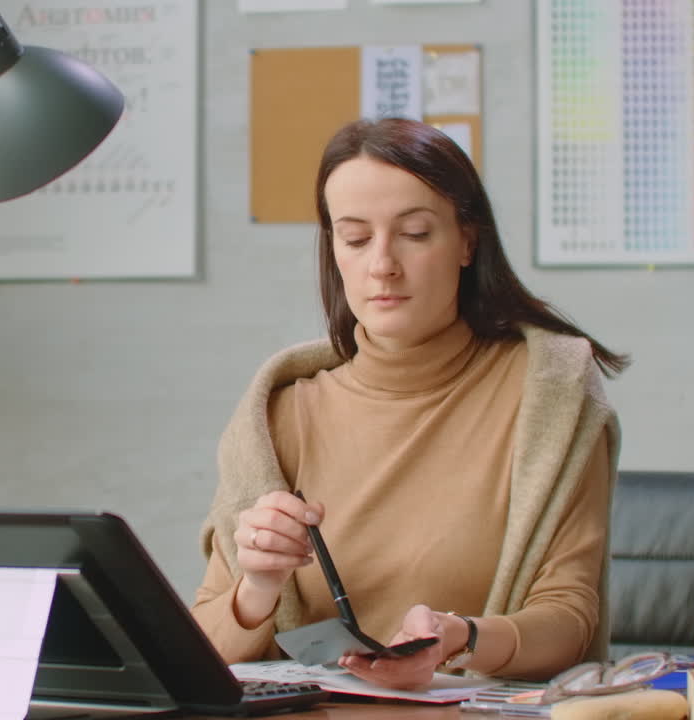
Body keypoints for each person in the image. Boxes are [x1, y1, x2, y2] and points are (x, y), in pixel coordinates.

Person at [191, 117, 628, 690]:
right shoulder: (279, 414)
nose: (382, 265)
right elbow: (201, 648)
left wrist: (463, 637)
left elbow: (570, 617)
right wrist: (258, 586)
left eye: (416, 234)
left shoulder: (550, 391)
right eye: (354, 239)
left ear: (467, 241)